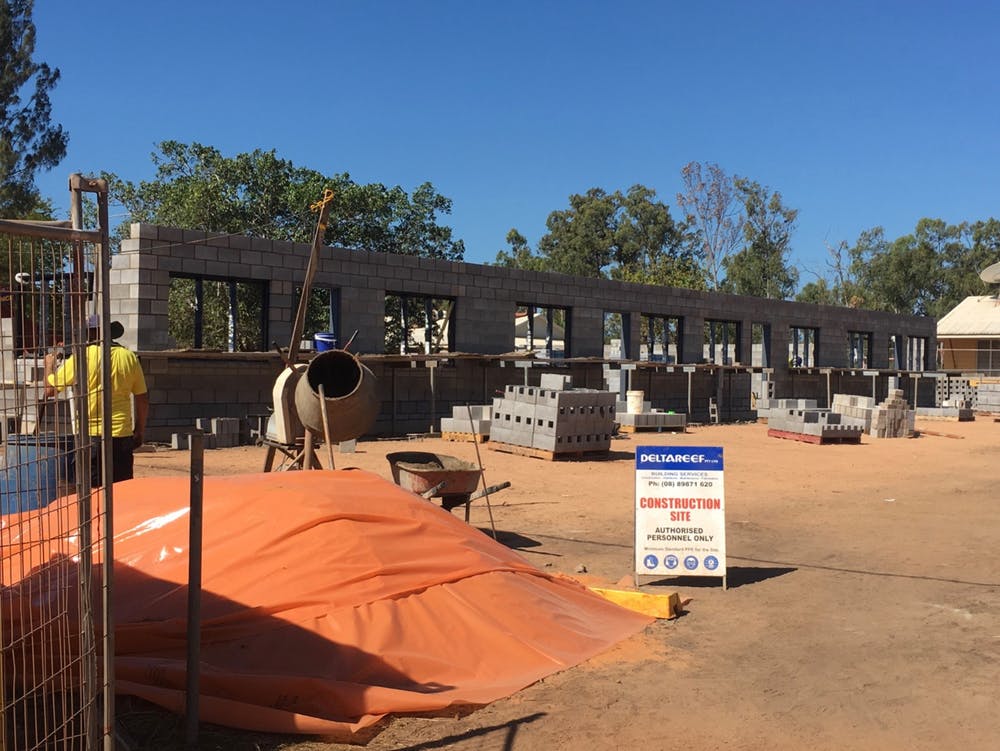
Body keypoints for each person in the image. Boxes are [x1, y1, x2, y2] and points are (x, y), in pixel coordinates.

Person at [44, 315, 149, 485]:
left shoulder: (82, 358)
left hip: (90, 436)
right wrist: (140, 430)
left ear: (89, 334)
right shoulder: (129, 357)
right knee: (122, 490)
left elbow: (50, 390)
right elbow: (142, 398)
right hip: (121, 435)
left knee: (91, 493)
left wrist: (49, 365)